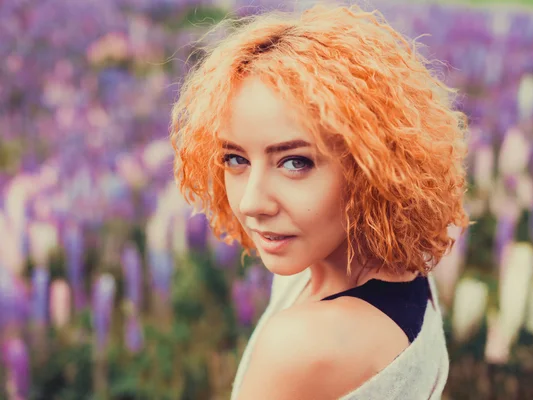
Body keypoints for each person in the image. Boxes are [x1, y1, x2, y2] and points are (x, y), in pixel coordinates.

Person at [170, 2, 469, 399]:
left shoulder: (300, 345)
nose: (251, 202)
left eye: (295, 162)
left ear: (370, 167)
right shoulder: (406, 274)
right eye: (235, 158)